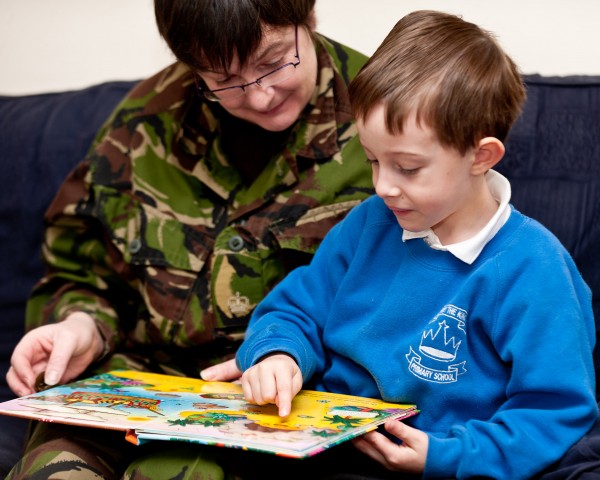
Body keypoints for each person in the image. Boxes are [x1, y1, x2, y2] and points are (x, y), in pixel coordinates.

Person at [5, 0, 374, 478]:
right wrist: (82, 328)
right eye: (225, 80)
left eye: (275, 62)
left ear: (308, 19)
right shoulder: (144, 123)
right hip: (129, 383)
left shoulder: (386, 120)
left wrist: (285, 357)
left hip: (274, 402)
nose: (260, 96)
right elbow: (83, 272)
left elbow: (422, 296)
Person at [236, 10, 599, 479]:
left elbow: (555, 412)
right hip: (322, 447)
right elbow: (296, 309)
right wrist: (278, 353)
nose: (383, 186)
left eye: (407, 168)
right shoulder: (370, 223)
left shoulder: (534, 269)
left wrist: (445, 458)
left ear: (480, 155)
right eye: (371, 161)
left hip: (446, 462)